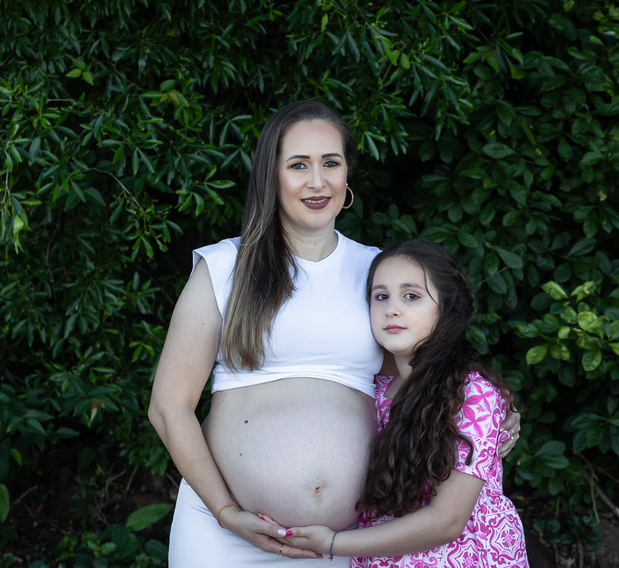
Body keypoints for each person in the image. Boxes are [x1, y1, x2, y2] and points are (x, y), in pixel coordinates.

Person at [147, 100, 521, 566]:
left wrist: (492, 409)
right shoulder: (224, 267)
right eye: (298, 165)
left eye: (330, 163)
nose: (317, 181)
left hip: (343, 542)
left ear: (347, 176)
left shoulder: (378, 273)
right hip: (225, 534)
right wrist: (226, 512)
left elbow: (428, 371)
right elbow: (168, 407)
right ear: (271, 176)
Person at [275, 240, 528, 567]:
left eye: (411, 296)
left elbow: (447, 520)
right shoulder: (373, 389)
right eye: (381, 297)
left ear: (447, 307)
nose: (392, 309)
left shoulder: (471, 394)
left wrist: (333, 543)